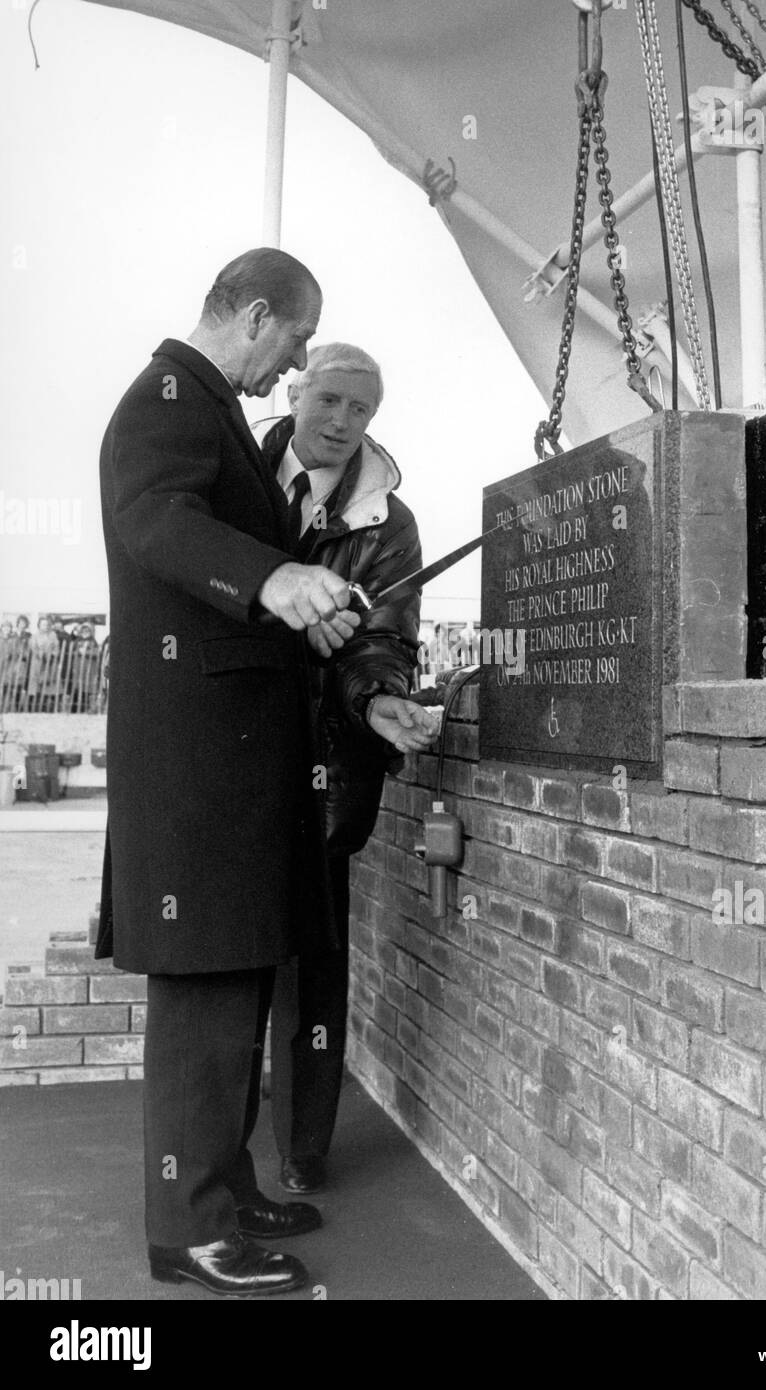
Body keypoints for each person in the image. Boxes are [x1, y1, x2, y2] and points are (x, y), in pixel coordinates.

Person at [95, 248, 362, 1298]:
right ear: (257, 315)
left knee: (239, 975)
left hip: (228, 768)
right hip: (199, 771)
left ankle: (224, 1182)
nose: (294, 369)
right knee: (206, 993)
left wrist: (309, 606)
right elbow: (156, 525)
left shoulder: (201, 405)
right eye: (295, 343)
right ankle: (189, 1230)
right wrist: (274, 574)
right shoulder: (167, 399)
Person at [253, 343, 438, 1195]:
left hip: (329, 764)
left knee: (316, 957)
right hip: (237, 754)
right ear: (295, 389)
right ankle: (216, 1149)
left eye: (360, 410)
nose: (340, 422)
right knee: (234, 958)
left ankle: (302, 1153)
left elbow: (383, 639)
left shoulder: (390, 524)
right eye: (327, 399)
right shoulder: (237, 475)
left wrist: (374, 700)